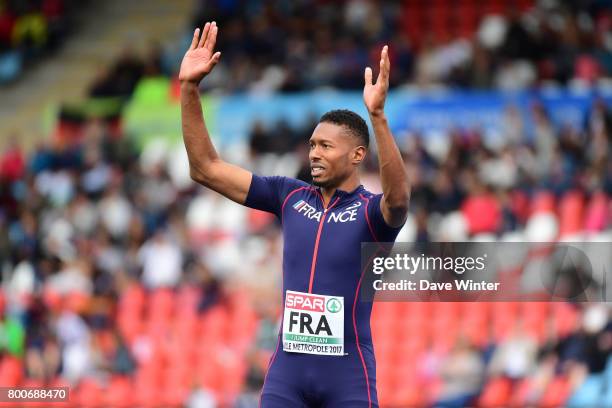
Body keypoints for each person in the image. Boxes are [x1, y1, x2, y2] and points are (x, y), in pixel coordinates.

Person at [179, 21, 409, 408]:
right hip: (287, 373)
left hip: (348, 376)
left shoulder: (372, 213)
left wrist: (378, 118)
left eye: (325, 146)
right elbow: (205, 168)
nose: (314, 153)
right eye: (312, 145)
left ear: (356, 156)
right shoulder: (289, 196)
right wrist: (188, 88)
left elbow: (399, 198)